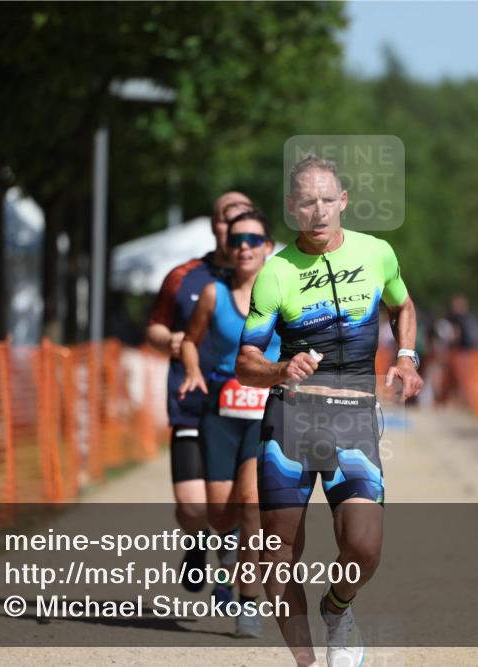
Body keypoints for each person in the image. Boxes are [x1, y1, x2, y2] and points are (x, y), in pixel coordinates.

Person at [235, 155, 424, 667]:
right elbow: (245, 362)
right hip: (290, 422)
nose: (317, 212)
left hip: (355, 420)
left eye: (326, 200)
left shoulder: (376, 252)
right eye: (306, 202)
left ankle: (337, 607)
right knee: (279, 555)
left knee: (364, 547)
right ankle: (308, 663)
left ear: (342, 202)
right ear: (291, 208)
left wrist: (406, 357)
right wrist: (279, 370)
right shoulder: (275, 273)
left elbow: (401, 304)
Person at [178, 210, 281, 638]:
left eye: (254, 240)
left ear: (268, 248)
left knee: (253, 505)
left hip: (265, 414)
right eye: (237, 239)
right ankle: (222, 548)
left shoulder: (283, 295)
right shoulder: (212, 295)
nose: (244, 246)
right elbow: (190, 341)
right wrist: (192, 369)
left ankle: (248, 604)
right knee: (221, 516)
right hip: (220, 413)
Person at [145, 190, 252, 591]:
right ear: (214, 225)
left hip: (246, 407)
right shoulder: (184, 276)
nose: (233, 227)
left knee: (244, 499)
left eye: (242, 218)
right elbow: (154, 326)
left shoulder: (270, 278)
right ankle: (198, 539)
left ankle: (231, 572)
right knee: (193, 507)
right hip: (192, 403)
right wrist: (172, 340)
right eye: (226, 217)